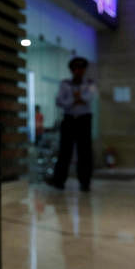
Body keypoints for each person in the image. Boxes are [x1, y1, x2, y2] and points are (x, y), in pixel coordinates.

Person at [49, 57, 96, 191]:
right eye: (75, 68)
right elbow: (59, 101)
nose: (78, 71)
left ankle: (85, 182)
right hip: (69, 119)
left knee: (85, 151)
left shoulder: (89, 84)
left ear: (84, 70)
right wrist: (75, 99)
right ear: (71, 70)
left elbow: (88, 98)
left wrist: (76, 99)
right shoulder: (65, 84)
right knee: (65, 151)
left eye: (81, 68)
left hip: (84, 120)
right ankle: (59, 181)